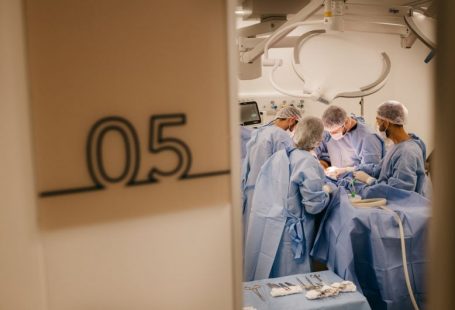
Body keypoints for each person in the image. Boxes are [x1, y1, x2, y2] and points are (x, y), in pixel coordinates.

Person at [244, 116, 332, 281]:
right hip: (295, 235)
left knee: (276, 275)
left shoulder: (281, 156)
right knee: (294, 280)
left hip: (278, 227)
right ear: (318, 139)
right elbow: (314, 206)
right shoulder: (308, 162)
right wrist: (327, 192)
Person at [241, 106, 302, 242]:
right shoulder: (281, 136)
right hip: (268, 193)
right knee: (266, 239)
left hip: (251, 191)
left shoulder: (259, 132)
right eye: (296, 126)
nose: (294, 132)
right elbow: (285, 169)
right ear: (292, 120)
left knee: (251, 237)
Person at [353, 100, 428, 196]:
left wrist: (369, 180)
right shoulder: (397, 145)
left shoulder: (406, 153)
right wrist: (352, 169)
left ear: (386, 123)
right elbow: (379, 169)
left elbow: (398, 191)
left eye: (378, 121)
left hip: (406, 206)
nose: (377, 126)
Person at [315, 105, 384, 178]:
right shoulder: (330, 131)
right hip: (338, 183)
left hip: (357, 184)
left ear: (346, 123)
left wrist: (345, 170)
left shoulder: (368, 138)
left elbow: (372, 170)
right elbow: (322, 152)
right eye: (329, 132)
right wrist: (323, 165)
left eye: (334, 132)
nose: (330, 135)